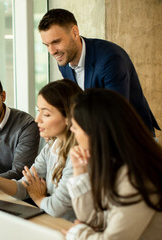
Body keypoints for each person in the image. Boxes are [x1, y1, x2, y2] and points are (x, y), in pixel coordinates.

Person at [0, 79, 82, 222]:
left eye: (46, 114)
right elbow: (23, 187)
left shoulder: (79, 155)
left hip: (69, 229)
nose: (37, 119)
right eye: (38, 111)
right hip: (54, 224)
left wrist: (38, 198)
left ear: (69, 117)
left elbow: (56, 207)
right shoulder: (51, 148)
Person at [38, 8, 160, 135]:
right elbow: (76, 103)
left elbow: (115, 112)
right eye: (46, 45)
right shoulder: (64, 60)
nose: (52, 51)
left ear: (75, 32)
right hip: (97, 134)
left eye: (56, 42)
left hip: (132, 137)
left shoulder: (110, 58)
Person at [65, 89, 162, 239]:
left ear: (96, 132)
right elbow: (93, 220)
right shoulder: (112, 162)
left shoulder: (136, 175)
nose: (71, 131)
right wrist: (80, 171)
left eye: (75, 128)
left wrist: (77, 233)